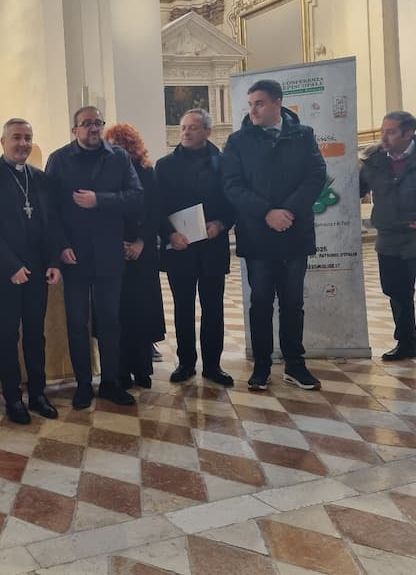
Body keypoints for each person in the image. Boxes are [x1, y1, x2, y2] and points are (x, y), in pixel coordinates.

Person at [222, 79, 326, 391]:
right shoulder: (238, 141)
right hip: (258, 236)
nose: (253, 110)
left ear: (278, 103)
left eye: (260, 103)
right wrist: (267, 212)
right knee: (261, 302)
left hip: (294, 232)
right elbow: (232, 185)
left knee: (293, 303)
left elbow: (316, 175)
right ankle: (262, 366)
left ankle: (295, 364)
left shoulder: (303, 135)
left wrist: (288, 211)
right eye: (250, 104)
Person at [45, 106, 143, 409]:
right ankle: (83, 384)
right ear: (74, 129)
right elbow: (49, 210)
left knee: (110, 321)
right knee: (77, 323)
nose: (93, 128)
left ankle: (110, 382)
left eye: (97, 123)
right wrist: (61, 246)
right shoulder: (59, 159)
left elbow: (136, 196)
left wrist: (99, 200)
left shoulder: (118, 157)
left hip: (108, 252)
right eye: (86, 123)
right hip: (74, 255)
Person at [0, 118, 63, 424]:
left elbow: (50, 223)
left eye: (27, 138)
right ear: (3, 142)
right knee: (8, 335)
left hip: (37, 270)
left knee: (36, 334)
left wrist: (53, 261)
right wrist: (11, 266)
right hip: (6, 272)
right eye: (16, 137)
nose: (23, 143)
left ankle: (38, 393)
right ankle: (13, 398)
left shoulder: (40, 178)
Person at [359, 111, 416, 369]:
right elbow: (355, 189)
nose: (383, 137)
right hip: (390, 239)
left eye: (390, 132)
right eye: (382, 131)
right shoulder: (375, 161)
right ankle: (406, 343)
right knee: (397, 293)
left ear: (408, 133)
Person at [156, 109, 235, 387]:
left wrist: (221, 223)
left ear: (207, 132)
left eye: (193, 128)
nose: (186, 132)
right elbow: (156, 207)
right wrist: (169, 233)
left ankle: (213, 365)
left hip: (213, 246)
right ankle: (186, 363)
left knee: (213, 308)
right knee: (183, 308)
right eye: (183, 128)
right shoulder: (164, 165)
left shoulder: (224, 164)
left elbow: (233, 202)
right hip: (180, 248)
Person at [102, 123, 166, 389]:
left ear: (132, 146)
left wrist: (140, 241)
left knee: (142, 310)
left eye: (122, 145)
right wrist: (117, 242)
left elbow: (155, 211)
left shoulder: (146, 173)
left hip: (143, 250)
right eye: (113, 146)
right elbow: (104, 213)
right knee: (119, 313)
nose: (118, 150)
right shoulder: (106, 175)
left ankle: (142, 369)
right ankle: (120, 371)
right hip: (113, 250)